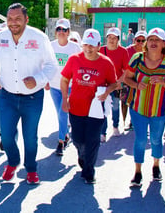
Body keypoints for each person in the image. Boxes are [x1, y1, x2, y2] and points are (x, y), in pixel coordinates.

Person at [0, 3, 57, 184]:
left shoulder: (39, 38)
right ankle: (13, 162)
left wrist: (38, 79)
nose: (13, 23)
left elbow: (52, 65)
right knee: (6, 135)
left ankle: (31, 169)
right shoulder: (1, 37)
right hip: (7, 96)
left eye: (18, 18)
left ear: (26, 19)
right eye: (10, 19)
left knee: (30, 137)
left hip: (32, 98)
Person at [61, 28, 117, 183]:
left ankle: (89, 171)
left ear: (99, 45)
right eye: (86, 44)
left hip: (96, 110)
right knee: (78, 139)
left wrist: (107, 92)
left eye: (92, 45)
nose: (88, 48)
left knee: (92, 141)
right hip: (76, 107)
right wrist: (64, 98)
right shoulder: (74, 59)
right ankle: (82, 155)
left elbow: (114, 83)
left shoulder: (106, 63)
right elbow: (64, 79)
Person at [124, 28, 165, 187]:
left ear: (163, 43)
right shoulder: (137, 58)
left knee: (155, 139)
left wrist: (163, 83)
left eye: (157, 39)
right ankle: (138, 172)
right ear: (147, 42)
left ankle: (156, 166)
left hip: (160, 110)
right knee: (140, 140)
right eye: (151, 39)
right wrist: (136, 84)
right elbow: (126, 78)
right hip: (138, 108)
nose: (153, 42)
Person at [47, 18, 81, 155]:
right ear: (55, 32)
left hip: (70, 86)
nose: (61, 32)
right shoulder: (50, 46)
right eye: (59, 29)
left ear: (69, 32)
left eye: (64, 30)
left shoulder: (75, 47)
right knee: (60, 114)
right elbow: (46, 64)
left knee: (63, 112)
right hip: (54, 86)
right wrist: (46, 81)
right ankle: (66, 134)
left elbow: (80, 65)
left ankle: (61, 141)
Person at [99, 27, 129, 142]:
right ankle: (103, 132)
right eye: (109, 37)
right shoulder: (101, 50)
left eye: (114, 38)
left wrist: (120, 82)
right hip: (102, 85)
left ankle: (115, 126)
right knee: (102, 109)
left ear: (118, 39)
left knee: (115, 107)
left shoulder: (123, 51)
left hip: (116, 85)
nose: (111, 40)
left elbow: (126, 69)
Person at [123, 30, 147, 130]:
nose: (141, 43)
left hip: (143, 81)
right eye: (138, 40)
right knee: (128, 102)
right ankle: (127, 122)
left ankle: (137, 123)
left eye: (143, 40)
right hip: (129, 79)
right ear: (134, 40)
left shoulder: (149, 52)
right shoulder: (127, 51)